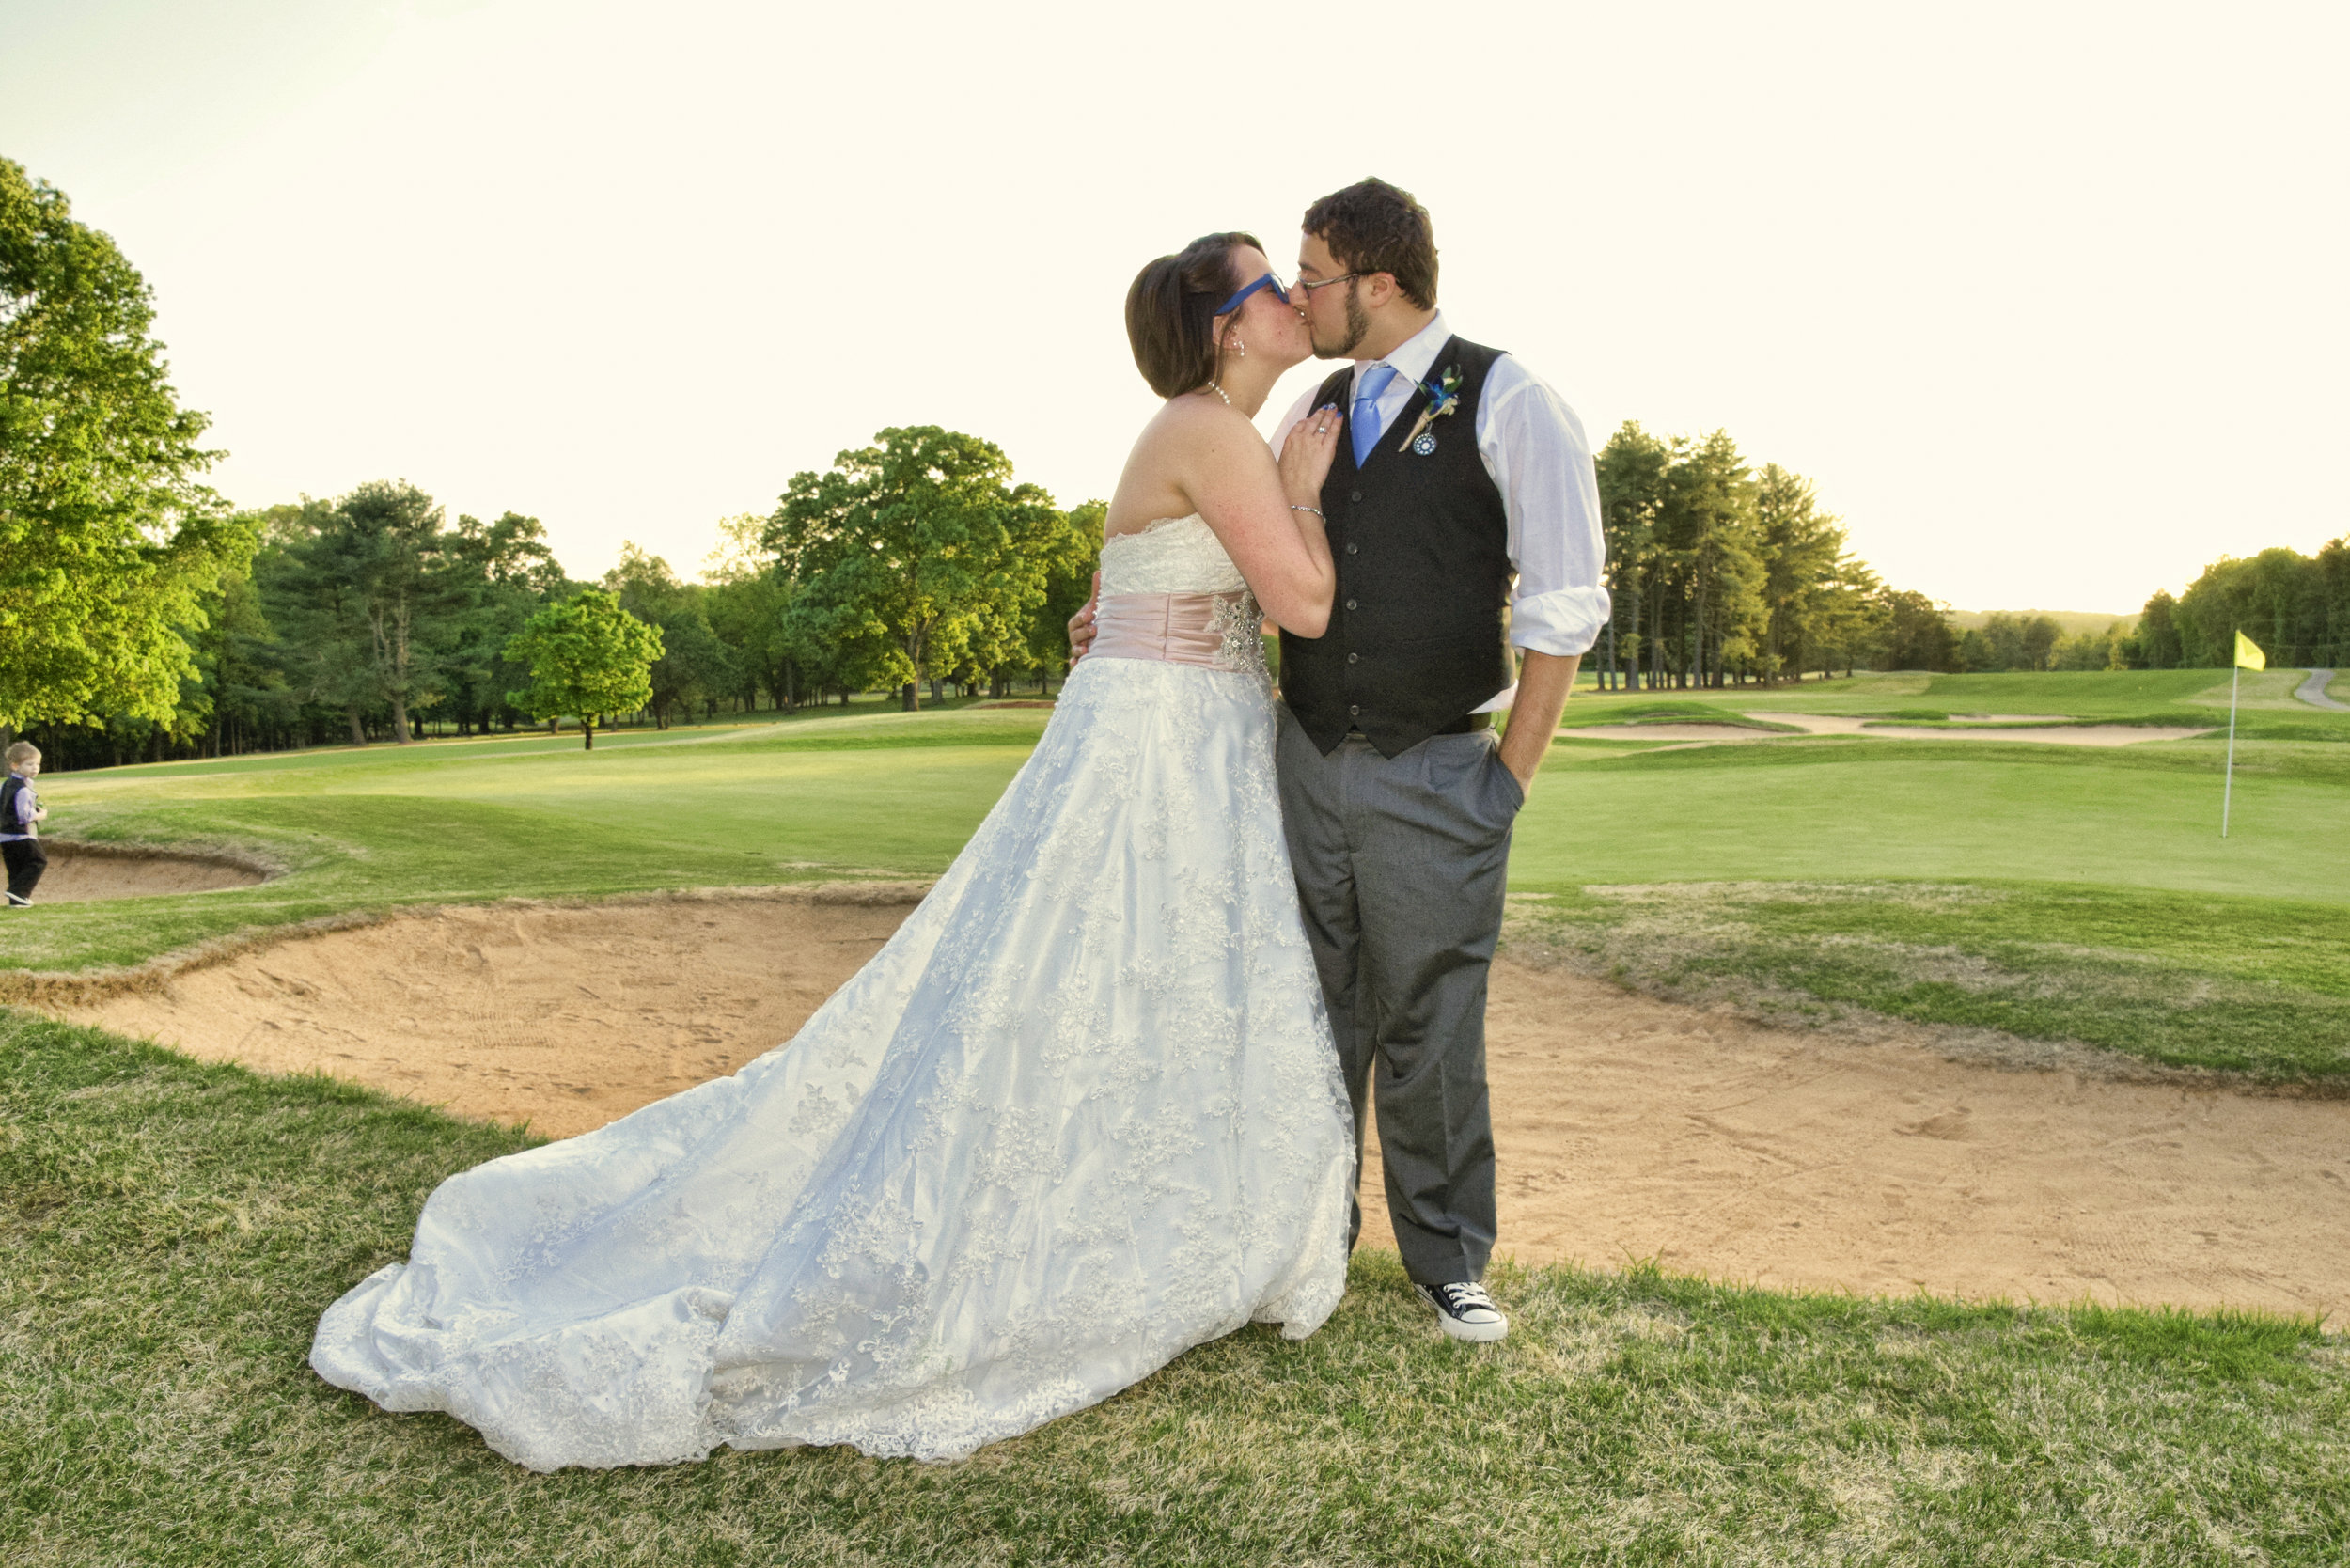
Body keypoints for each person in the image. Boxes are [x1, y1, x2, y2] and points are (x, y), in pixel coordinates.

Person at [310, 232, 1356, 1470]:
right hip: (1163, 756)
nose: (1294, 297)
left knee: (1144, 985)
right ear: (1228, 326)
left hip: (1191, 745)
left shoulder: (1197, 433)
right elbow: (1303, 605)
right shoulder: (1214, 432)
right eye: (1268, 283)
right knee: (1096, 981)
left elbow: (1141, 591)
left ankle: (1184, 1228)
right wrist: (1298, 495)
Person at [1073, 179, 1610, 1343]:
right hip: (1301, 761)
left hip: (1436, 766)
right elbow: (1222, 537)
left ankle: (1448, 1260)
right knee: (1309, 1014)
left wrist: (1505, 779)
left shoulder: (1509, 398)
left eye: (1311, 274)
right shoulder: (1306, 404)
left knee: (1430, 1020)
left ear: (1375, 283)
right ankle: (1309, 1239)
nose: (1299, 294)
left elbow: (1565, 607)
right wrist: (1110, 607)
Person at [2, 741, 48, 907]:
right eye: (29, 764)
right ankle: (19, 892)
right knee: (38, 861)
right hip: (21, 834)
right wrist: (40, 815)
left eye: (37, 764)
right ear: (15, 766)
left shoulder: (5, 785)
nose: (35, 768)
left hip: (5, 836)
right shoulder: (24, 789)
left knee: (16, 868)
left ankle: (16, 901)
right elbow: (24, 815)